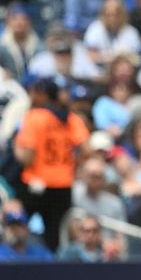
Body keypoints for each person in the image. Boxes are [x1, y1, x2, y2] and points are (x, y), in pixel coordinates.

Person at [13, 77, 90, 251]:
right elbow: (87, 150)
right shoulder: (71, 118)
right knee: (54, 238)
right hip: (62, 185)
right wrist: (72, 165)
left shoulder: (35, 116)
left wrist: (16, 145)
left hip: (35, 183)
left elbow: (27, 158)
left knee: (15, 229)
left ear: (44, 95)